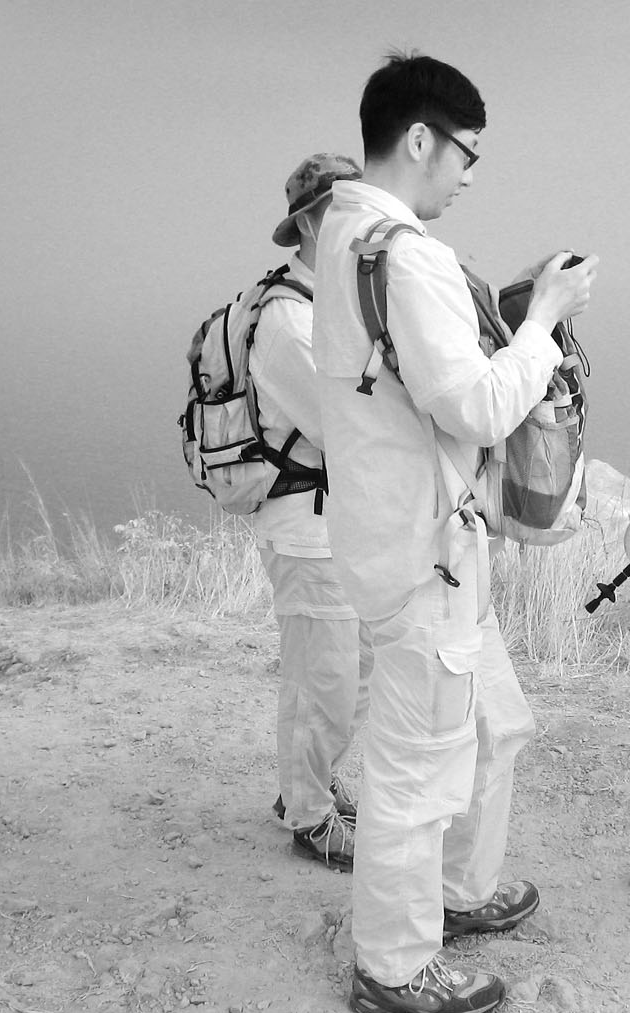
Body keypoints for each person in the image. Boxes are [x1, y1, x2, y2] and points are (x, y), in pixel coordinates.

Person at [311, 53, 597, 1013]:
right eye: (466, 153)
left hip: (401, 536)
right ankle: (394, 965)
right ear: (420, 139)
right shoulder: (407, 255)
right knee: (416, 766)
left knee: (490, 723)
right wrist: (544, 321)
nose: (470, 175)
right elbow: (473, 407)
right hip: (424, 553)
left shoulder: (345, 236)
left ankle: (458, 892)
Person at [247, 153, 372, 871]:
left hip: (334, 525)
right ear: (312, 223)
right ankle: (310, 815)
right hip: (306, 527)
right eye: (345, 210)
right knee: (324, 679)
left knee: (344, 674)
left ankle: (308, 785)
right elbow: (339, 425)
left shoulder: (323, 306)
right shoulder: (288, 320)